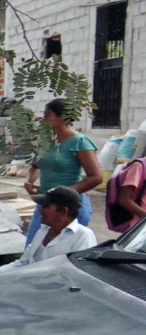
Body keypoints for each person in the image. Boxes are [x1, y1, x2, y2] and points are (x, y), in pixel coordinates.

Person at [23, 99, 101, 248]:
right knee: (33, 247)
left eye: (48, 115)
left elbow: (96, 177)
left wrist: (63, 193)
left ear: (62, 117)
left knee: (63, 251)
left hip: (69, 206)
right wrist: (30, 182)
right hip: (46, 202)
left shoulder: (79, 142)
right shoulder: (45, 141)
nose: (43, 119)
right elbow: (35, 165)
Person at [0, 183, 97, 268]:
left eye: (46, 206)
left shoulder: (83, 236)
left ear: (63, 211)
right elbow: (24, 262)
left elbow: (78, 273)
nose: (40, 210)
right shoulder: (43, 231)